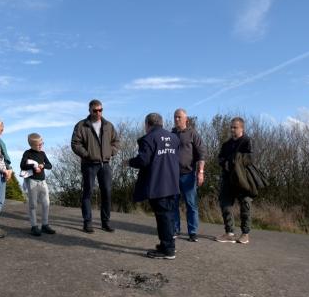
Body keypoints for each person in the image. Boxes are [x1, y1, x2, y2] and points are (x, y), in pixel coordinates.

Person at [128, 113, 180, 259]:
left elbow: (143, 161)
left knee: (163, 216)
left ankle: (167, 250)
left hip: (158, 184)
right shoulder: (174, 137)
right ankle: (168, 245)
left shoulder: (149, 138)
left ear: (147, 124)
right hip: (172, 182)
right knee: (168, 216)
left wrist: (129, 162)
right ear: (161, 123)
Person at [71, 99, 120, 233]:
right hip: (89, 165)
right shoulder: (81, 125)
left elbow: (116, 141)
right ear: (90, 110)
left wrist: (111, 152)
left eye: (100, 110)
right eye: (95, 110)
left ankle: (105, 222)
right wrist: (87, 155)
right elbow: (75, 144)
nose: (98, 113)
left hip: (105, 164)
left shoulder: (108, 125)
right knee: (88, 193)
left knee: (107, 193)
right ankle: (87, 222)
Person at [172, 108, 207, 242]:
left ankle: (192, 232)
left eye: (179, 117)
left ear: (186, 119)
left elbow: (201, 154)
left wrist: (201, 172)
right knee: (173, 204)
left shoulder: (193, 134)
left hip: (189, 175)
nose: (176, 119)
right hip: (173, 176)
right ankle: (175, 230)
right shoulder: (171, 134)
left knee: (191, 205)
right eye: (175, 117)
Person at [216, 117, 252, 244]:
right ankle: (229, 232)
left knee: (245, 204)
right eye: (231, 127)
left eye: (235, 127)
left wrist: (232, 161)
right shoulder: (226, 144)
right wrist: (224, 163)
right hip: (227, 178)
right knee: (225, 203)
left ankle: (245, 234)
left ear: (242, 128)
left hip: (242, 179)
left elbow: (249, 159)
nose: (232, 129)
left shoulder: (247, 141)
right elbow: (220, 158)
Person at [20, 133, 55, 237]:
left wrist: (42, 165)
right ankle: (34, 226)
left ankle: (45, 224)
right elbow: (22, 165)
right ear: (32, 145)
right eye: (39, 144)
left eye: (42, 144)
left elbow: (50, 165)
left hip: (43, 182)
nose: (41, 146)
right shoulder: (27, 153)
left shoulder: (43, 154)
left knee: (46, 203)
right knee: (33, 205)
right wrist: (33, 166)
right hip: (32, 181)